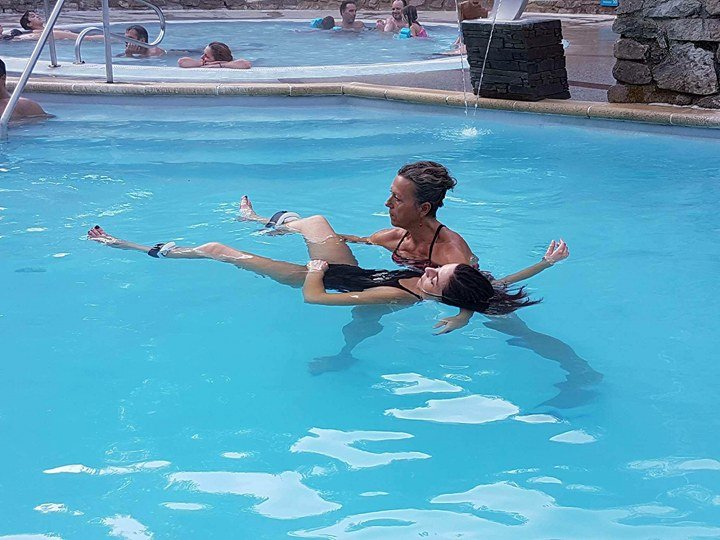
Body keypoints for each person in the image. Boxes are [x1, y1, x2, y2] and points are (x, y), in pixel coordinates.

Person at [87, 208, 568, 314]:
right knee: (314, 221)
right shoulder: (451, 285)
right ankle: (258, 220)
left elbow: (315, 301)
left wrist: (314, 272)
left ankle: (132, 246)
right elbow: (493, 285)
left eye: (433, 275)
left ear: (438, 293)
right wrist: (545, 265)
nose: (427, 267)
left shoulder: (395, 295)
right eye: (436, 266)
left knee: (217, 251)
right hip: (349, 269)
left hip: (324, 280)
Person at [335, 161, 479, 333]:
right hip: (413, 285)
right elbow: (362, 241)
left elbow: (472, 290)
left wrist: (462, 317)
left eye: (397, 198)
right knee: (362, 311)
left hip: (482, 292)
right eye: (391, 194)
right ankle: (350, 348)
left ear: (423, 208)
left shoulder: (450, 251)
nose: (387, 203)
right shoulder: (393, 238)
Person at [15, 10, 102, 41]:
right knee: (87, 38)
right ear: (29, 24)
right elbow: (87, 38)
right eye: (33, 16)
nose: (37, 16)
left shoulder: (50, 31)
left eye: (36, 14)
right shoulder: (44, 33)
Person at [178, 42, 251, 69]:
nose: (202, 57)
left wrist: (220, 65)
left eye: (206, 56)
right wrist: (203, 63)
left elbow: (246, 64)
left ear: (219, 59)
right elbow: (182, 61)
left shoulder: (232, 63)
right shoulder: (203, 62)